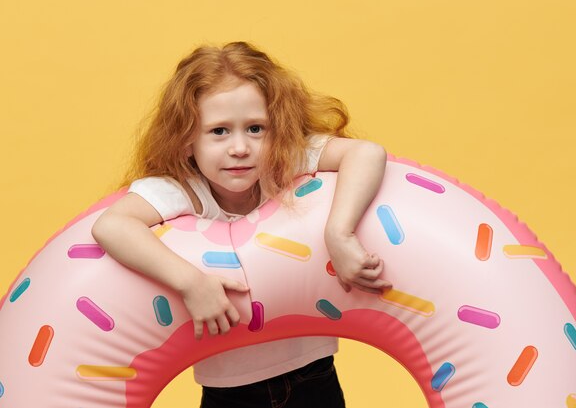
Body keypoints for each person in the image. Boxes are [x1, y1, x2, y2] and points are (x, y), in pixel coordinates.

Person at [92, 41, 392, 408]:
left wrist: (339, 233)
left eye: (255, 128)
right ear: (187, 140)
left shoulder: (285, 164)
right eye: (219, 131)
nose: (239, 148)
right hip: (228, 393)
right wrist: (191, 284)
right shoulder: (185, 190)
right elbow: (112, 225)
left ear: (277, 130)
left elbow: (367, 153)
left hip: (314, 374)